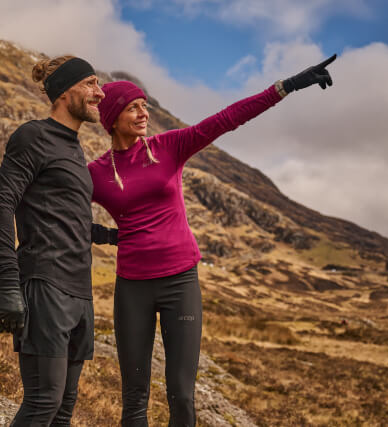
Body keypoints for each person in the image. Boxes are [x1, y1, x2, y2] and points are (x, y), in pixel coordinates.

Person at [89, 55, 337, 426]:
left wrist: (286, 86)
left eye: (145, 106)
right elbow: (56, 209)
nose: (144, 113)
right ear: (112, 117)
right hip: (132, 289)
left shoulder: (170, 147)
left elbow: (227, 119)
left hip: (180, 284)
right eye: (133, 107)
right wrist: (106, 235)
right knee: (134, 397)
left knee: (182, 395)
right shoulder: (95, 173)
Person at [0, 55, 113, 426]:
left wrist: (114, 236)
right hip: (45, 286)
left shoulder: (74, 149)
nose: (100, 93)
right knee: (44, 401)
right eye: (91, 83)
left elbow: (66, 221)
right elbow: (1, 204)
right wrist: (9, 285)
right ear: (64, 90)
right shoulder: (33, 136)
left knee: (63, 409)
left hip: (80, 292)